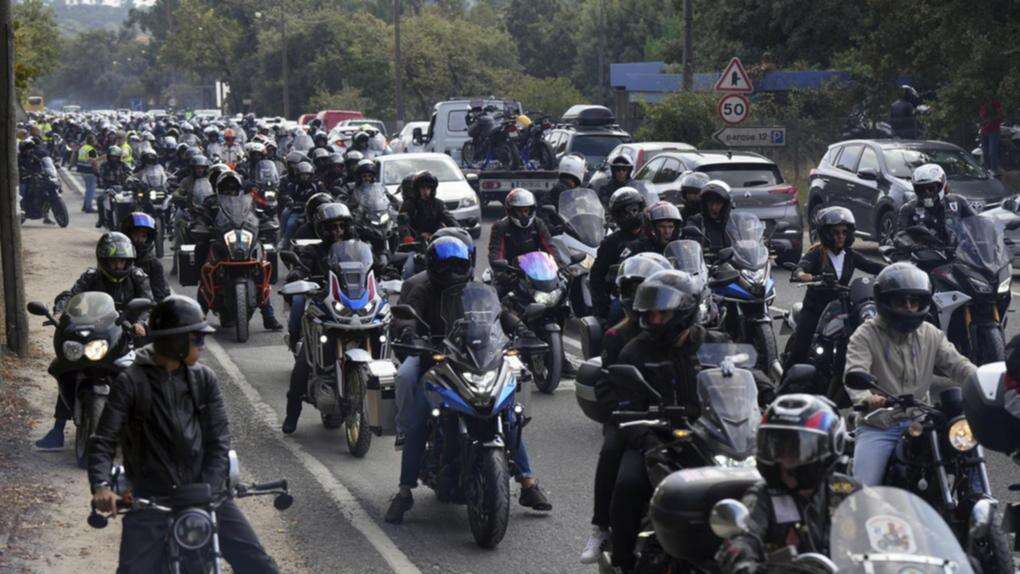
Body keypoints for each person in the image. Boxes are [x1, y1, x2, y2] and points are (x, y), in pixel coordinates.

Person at [87, 295, 279, 573]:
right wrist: (101, 487)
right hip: (152, 499)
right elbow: (103, 441)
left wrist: (209, 490)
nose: (202, 346)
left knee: (260, 565)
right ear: (175, 341)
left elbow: (219, 441)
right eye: (197, 339)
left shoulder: (204, 379)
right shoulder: (130, 382)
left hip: (203, 492)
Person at [385, 237, 551, 524]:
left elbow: (500, 314)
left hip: (474, 357)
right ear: (435, 266)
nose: (452, 272)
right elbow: (404, 319)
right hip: (432, 356)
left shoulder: (477, 288)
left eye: (458, 266)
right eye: (447, 266)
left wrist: (520, 328)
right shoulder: (420, 287)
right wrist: (410, 334)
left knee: (509, 414)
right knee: (416, 414)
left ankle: (528, 483)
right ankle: (404, 491)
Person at [609, 269, 730, 572]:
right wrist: (650, 441)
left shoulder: (714, 342)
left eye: (662, 313)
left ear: (685, 310)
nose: (654, 321)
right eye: (650, 314)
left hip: (712, 437)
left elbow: (747, 376)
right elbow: (627, 407)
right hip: (658, 440)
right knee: (628, 484)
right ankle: (624, 560)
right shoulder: (634, 352)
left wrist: (766, 392)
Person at [844, 262, 976, 486]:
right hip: (879, 425)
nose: (908, 307)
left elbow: (959, 365)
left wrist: (988, 385)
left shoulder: (930, 334)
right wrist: (867, 399)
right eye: (900, 301)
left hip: (923, 422)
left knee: (968, 452)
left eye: (914, 301)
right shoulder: (865, 335)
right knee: (863, 489)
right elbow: (855, 374)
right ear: (884, 301)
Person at [580, 252, 671, 564]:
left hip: (683, 420)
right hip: (634, 420)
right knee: (618, 465)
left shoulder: (687, 332)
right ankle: (602, 529)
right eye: (632, 290)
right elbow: (608, 385)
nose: (639, 298)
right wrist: (626, 413)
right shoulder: (618, 337)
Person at [36, 232, 153, 450]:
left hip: (129, 335)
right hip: (98, 332)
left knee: (144, 376)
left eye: (122, 261)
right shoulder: (91, 276)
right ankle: (57, 429)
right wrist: (61, 311)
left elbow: (149, 304)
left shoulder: (138, 277)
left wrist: (142, 323)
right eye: (113, 261)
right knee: (69, 368)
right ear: (103, 260)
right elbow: (70, 295)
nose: (118, 266)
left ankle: (148, 431)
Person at [717, 394, 857, 574]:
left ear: (828, 448)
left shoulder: (849, 490)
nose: (783, 462)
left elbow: (889, 529)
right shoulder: (763, 496)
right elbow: (742, 539)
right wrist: (745, 565)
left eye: (796, 451)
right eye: (776, 450)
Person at [785, 207, 885, 369]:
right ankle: (782, 388)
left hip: (842, 309)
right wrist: (803, 274)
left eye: (844, 232)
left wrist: (898, 268)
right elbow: (801, 267)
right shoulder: (817, 254)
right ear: (826, 234)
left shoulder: (850, 255)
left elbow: (873, 266)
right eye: (835, 232)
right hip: (816, 310)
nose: (840, 236)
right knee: (800, 349)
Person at [200, 170, 284, 332]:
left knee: (261, 273)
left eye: (233, 188)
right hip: (220, 241)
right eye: (226, 188)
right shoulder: (211, 202)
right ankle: (200, 316)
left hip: (245, 240)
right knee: (205, 270)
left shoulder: (249, 202)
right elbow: (202, 218)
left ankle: (269, 316)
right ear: (219, 189)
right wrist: (200, 224)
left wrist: (267, 221)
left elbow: (259, 214)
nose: (230, 191)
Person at [280, 202, 355, 360]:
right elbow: (303, 266)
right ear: (323, 230)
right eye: (333, 228)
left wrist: (386, 269)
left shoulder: (354, 249)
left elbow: (371, 265)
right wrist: (297, 273)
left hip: (350, 296)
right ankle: (296, 343)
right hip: (320, 296)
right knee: (299, 301)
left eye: (342, 227)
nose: (338, 232)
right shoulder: (312, 250)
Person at [590, 187, 646, 322]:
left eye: (634, 210)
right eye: (625, 213)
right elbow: (597, 276)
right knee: (615, 315)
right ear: (617, 216)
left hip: (656, 293)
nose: (631, 215)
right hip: (627, 298)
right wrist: (602, 307)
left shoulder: (652, 235)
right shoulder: (611, 242)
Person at [895, 163, 975, 248]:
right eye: (921, 189)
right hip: (925, 257)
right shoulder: (908, 209)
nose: (927, 193)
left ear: (943, 186)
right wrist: (912, 245)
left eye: (931, 188)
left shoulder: (958, 202)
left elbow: (978, 225)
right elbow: (900, 236)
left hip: (959, 255)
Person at [487, 188, 554, 288]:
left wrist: (559, 266)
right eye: (519, 211)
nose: (524, 214)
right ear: (511, 211)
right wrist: (501, 273)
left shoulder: (538, 224)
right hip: (510, 271)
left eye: (526, 210)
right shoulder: (501, 227)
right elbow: (496, 252)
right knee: (498, 295)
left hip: (534, 270)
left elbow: (550, 247)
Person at [121, 212, 171, 302]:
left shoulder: (153, 264)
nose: (139, 240)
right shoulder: (117, 258)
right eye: (136, 234)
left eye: (143, 236)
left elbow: (159, 296)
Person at [399, 170, 458, 242]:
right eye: (422, 188)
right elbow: (402, 224)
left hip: (437, 239)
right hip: (415, 243)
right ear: (418, 189)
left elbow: (449, 218)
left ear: (432, 189)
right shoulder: (409, 204)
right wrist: (410, 237)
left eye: (428, 188)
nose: (425, 191)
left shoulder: (438, 203)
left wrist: (459, 231)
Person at [280, 161, 321, 246]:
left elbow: (324, 194)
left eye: (307, 174)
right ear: (298, 175)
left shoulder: (317, 185)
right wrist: (289, 200)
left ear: (311, 175)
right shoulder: (294, 185)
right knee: (288, 218)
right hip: (298, 210)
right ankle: (285, 242)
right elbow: (288, 194)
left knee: (291, 223)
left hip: (313, 211)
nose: (305, 177)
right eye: (302, 175)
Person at [686, 180, 732, 252]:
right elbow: (690, 248)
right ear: (704, 203)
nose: (713, 207)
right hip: (706, 262)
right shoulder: (696, 222)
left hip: (732, 262)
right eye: (710, 201)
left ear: (725, 205)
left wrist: (750, 243)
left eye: (718, 202)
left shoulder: (733, 223)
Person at [77, 133, 100, 216]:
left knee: (87, 188)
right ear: (93, 141)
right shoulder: (91, 150)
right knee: (91, 189)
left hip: (82, 170)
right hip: (89, 171)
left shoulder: (83, 148)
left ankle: (85, 205)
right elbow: (93, 163)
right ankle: (88, 207)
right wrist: (97, 172)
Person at [979, 96, 1004, 172]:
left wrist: (990, 120)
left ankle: (994, 170)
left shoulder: (996, 103)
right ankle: (986, 170)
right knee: (985, 152)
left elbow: (1001, 116)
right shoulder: (982, 104)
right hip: (984, 130)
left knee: (992, 152)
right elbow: (981, 117)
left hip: (994, 131)